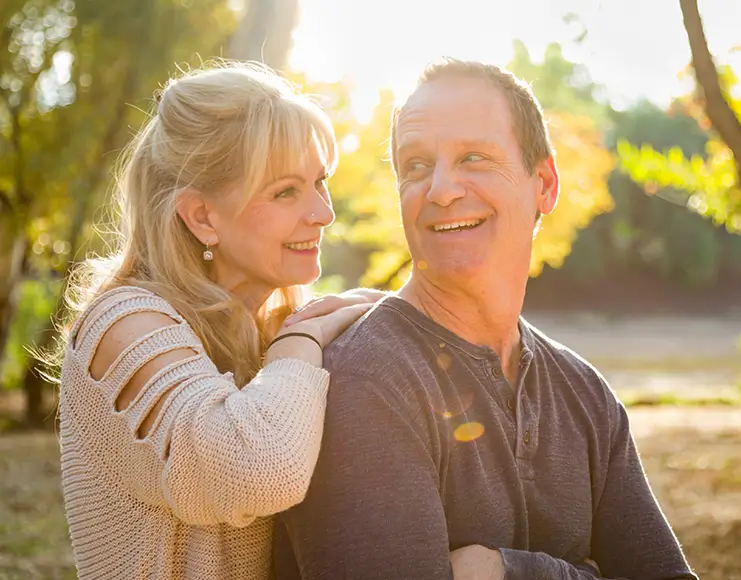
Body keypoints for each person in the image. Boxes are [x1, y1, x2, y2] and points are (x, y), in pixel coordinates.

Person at [273, 59, 699, 580]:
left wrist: (510, 573)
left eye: (473, 157)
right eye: (416, 166)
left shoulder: (586, 395)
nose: (441, 189)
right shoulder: (365, 383)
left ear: (543, 183)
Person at [55, 61, 386, 580]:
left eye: (319, 183)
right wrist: (302, 338)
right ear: (202, 217)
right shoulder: (122, 325)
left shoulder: (274, 324)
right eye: (285, 192)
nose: (323, 213)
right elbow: (258, 472)